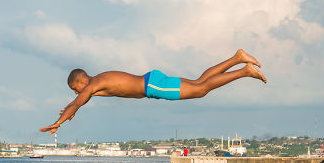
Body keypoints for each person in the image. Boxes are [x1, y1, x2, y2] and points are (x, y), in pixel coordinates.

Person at [40, 50, 266, 133]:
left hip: (151, 86)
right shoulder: (98, 82)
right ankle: (237, 58)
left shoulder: (91, 85)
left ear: (80, 81)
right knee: (200, 82)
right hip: (151, 81)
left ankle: (244, 71)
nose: (75, 93)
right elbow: (80, 103)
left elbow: (78, 102)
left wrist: (59, 122)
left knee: (200, 90)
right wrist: (71, 111)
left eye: (74, 89)